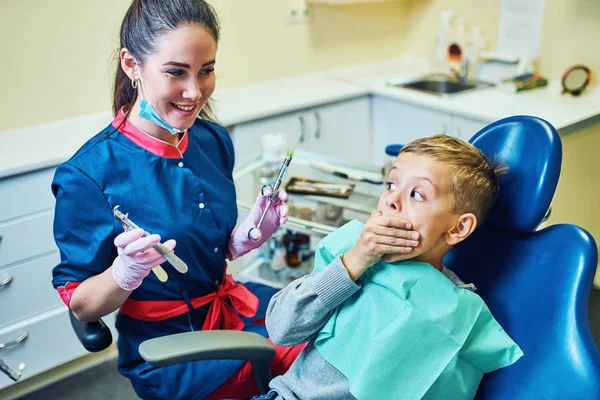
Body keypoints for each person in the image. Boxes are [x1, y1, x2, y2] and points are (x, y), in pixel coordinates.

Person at [50, 1, 311, 398]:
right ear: (131, 64)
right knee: (320, 369)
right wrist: (125, 273)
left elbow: (208, 246)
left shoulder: (210, 139)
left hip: (232, 308)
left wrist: (243, 238)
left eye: (206, 71)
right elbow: (83, 307)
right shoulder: (88, 176)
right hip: (173, 348)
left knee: (334, 329)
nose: (195, 92)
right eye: (176, 72)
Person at [256, 135, 521, 399]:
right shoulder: (352, 253)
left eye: (417, 194)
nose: (391, 200)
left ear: (458, 227)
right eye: (391, 184)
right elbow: (281, 329)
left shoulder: (455, 312)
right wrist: (354, 262)